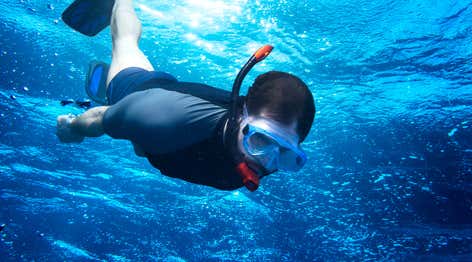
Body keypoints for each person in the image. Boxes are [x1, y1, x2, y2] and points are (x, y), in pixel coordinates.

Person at [56, 0, 316, 191]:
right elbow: (101, 118)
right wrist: (74, 127)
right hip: (140, 91)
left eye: (285, 154)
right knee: (125, 41)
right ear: (241, 118)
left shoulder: (259, 155)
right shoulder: (157, 115)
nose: (266, 162)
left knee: (142, 144)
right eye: (260, 141)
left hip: (164, 135)